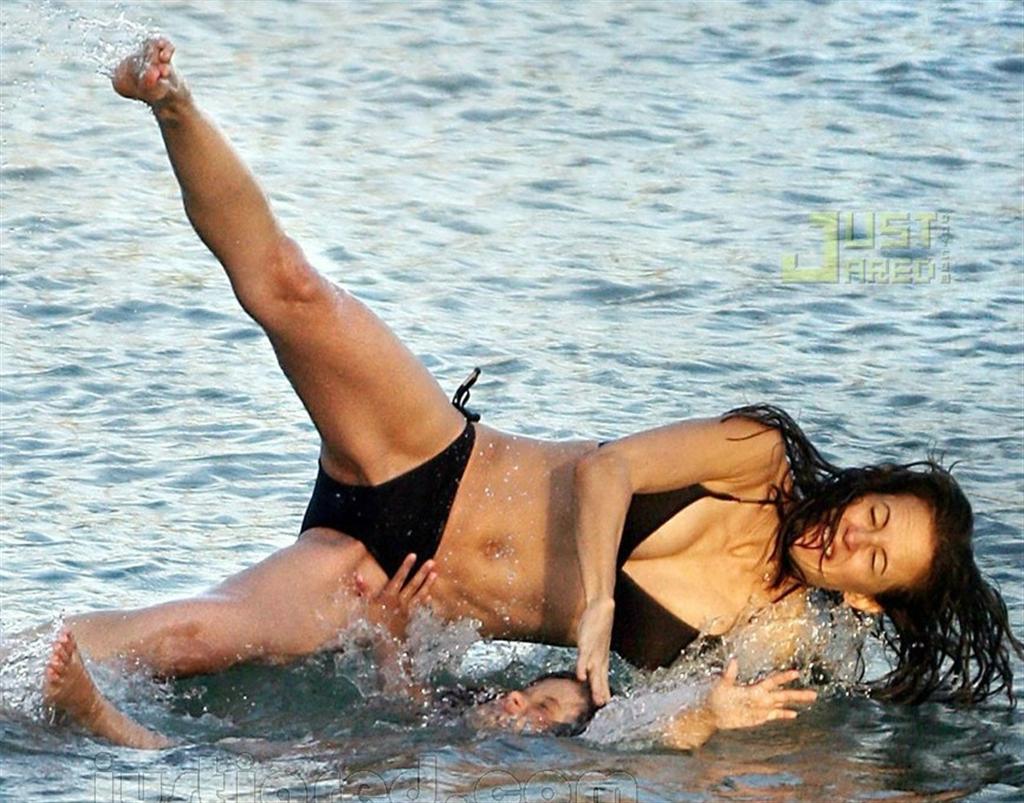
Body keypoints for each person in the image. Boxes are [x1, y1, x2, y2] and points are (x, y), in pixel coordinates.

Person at [43, 37, 1018, 711]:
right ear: (868, 487)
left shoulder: (769, 640)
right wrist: (596, 605)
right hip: (431, 454)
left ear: (867, 600)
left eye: (875, 559)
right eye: (876, 513)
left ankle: (32, 676)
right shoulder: (758, 458)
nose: (854, 534)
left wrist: (705, 719)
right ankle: (167, 98)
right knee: (292, 289)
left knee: (190, 639)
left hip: (399, 588)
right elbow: (606, 469)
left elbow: (656, 730)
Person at [41, 560, 817, 750]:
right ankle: (98, 712)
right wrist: (388, 628)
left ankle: (102, 717)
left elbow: (641, 733)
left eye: (546, 712)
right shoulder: (455, 712)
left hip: (361, 754)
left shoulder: (549, 759)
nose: (520, 702)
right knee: (247, 745)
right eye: (532, 692)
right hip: (357, 741)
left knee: (238, 757)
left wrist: (708, 711)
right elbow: (399, 697)